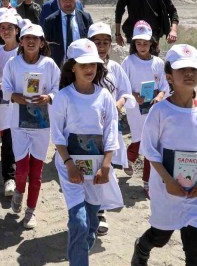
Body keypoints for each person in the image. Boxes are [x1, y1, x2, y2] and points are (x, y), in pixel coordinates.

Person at [131, 44, 197, 266]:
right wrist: (168, 180)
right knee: (161, 235)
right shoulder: (160, 111)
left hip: (196, 190)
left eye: (194, 69)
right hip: (167, 189)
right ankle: (142, 248)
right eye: (183, 70)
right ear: (169, 76)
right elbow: (150, 150)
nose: (189, 74)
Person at [50, 39, 123, 265]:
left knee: (91, 223)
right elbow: (58, 136)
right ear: (73, 67)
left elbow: (111, 132)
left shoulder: (104, 97)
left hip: (98, 168)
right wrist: (69, 164)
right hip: (69, 165)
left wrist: (106, 165)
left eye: (93, 64)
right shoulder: (63, 97)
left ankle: (80, 249)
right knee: (79, 222)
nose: (90, 69)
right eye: (84, 65)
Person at [2, 23, 60, 229]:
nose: (31, 41)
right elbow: (6, 89)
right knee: (22, 169)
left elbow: (57, 88)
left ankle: (31, 211)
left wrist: (48, 97)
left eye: (36, 38)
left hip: (41, 125)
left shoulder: (50, 64)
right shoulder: (13, 63)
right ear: (21, 41)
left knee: (36, 171)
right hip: (19, 123)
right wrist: (21, 99)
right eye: (27, 38)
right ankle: (19, 190)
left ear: (42, 42)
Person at [88, 22, 135, 236]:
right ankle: (90, 210)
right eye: (97, 42)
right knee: (90, 168)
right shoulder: (83, 68)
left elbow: (126, 92)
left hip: (111, 127)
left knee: (107, 168)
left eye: (105, 42)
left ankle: (101, 212)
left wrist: (119, 103)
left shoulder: (115, 68)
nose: (101, 46)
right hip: (88, 128)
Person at [121, 20, 170, 198]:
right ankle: (128, 157)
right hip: (135, 109)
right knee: (140, 139)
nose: (142, 46)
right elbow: (122, 84)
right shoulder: (128, 62)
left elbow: (165, 85)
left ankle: (147, 183)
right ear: (134, 44)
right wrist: (135, 96)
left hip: (154, 109)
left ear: (152, 42)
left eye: (146, 43)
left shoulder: (158, 63)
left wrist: (159, 96)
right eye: (138, 43)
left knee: (151, 144)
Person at [0, 13, 20, 196]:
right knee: (7, 139)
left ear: (17, 30)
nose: (6, 31)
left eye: (10, 28)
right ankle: (9, 178)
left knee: (21, 139)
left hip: (21, 102)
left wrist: (1, 84)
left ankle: (21, 173)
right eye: (3, 28)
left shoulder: (24, 51)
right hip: (3, 103)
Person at [42, 0, 94, 67]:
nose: (68, 3)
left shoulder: (86, 18)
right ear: (58, 1)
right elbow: (44, 47)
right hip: (58, 67)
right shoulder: (50, 21)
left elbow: (92, 43)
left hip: (81, 67)